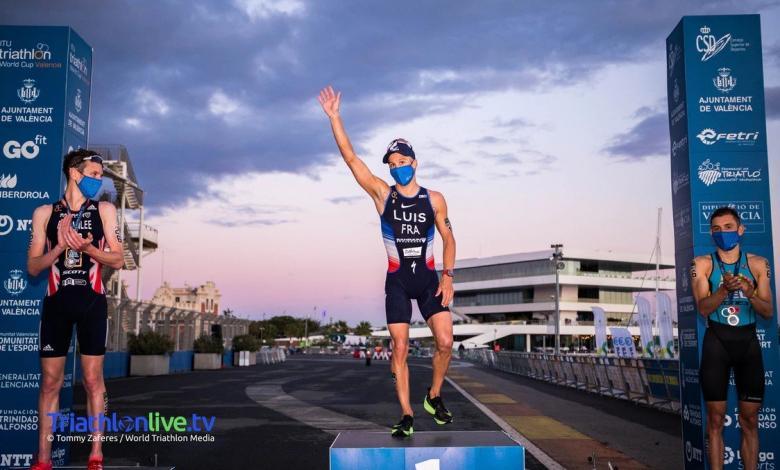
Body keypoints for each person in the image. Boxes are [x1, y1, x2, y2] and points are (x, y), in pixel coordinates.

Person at [318, 86, 456, 438]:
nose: (397, 170)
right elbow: (352, 159)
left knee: (445, 341)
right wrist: (335, 118)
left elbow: (449, 238)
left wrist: (448, 275)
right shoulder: (383, 195)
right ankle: (407, 414)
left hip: (427, 280)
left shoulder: (435, 199)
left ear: (414, 162)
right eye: (392, 166)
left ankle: (433, 396)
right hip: (397, 281)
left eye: (401, 163)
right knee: (399, 347)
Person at [26, 149, 125, 470]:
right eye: (94, 174)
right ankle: (43, 459)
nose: (99, 181)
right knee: (50, 383)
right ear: (74, 172)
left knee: (94, 380)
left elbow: (119, 258)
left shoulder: (105, 210)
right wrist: (59, 246)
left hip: (92, 301)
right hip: (57, 304)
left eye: (101, 176)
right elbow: (33, 267)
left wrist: (89, 248)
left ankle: (96, 454)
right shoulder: (44, 212)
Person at [691, 206, 773, 470]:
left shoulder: (758, 264)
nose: (722, 233)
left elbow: (768, 312)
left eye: (728, 227)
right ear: (711, 233)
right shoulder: (702, 264)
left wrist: (749, 292)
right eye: (716, 229)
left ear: (740, 229)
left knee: (749, 421)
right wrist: (724, 289)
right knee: (715, 420)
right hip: (717, 343)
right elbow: (703, 308)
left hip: (747, 345)